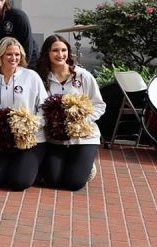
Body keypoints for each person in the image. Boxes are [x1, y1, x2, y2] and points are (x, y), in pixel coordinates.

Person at [36, 35, 105, 191]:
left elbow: (99, 105)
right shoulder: (40, 78)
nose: (60, 55)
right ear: (47, 53)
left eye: (63, 50)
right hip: (55, 139)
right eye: (55, 51)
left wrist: (81, 121)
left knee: (73, 184)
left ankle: (87, 166)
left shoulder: (83, 76)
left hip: (83, 138)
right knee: (52, 181)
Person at [0, 37, 49, 191]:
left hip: (30, 138)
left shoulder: (31, 76)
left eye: (17, 54)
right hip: (1, 139)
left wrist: (32, 124)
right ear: (0, 55)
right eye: (9, 54)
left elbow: (44, 107)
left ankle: (35, 168)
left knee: (19, 183)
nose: (14, 58)